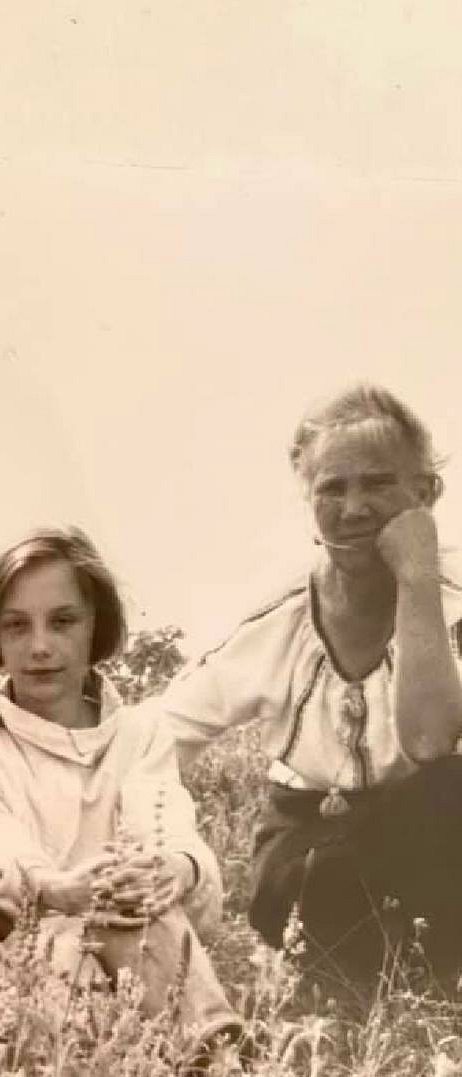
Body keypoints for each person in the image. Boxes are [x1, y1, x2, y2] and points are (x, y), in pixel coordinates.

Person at [162, 383, 462, 991]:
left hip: (424, 837)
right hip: (311, 852)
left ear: (425, 492)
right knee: (330, 878)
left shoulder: (452, 604)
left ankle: (427, 969)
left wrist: (418, 579)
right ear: (308, 500)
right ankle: (357, 968)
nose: (354, 508)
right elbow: (159, 737)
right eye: (332, 488)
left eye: (379, 483)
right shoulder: (280, 619)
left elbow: (430, 740)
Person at [0, 527, 242, 1057]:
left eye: (63, 622)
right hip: (30, 932)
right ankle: (90, 1065)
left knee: (142, 913)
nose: (40, 646)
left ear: (96, 627)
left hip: (134, 927)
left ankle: (213, 1049)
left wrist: (172, 868)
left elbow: (165, 822)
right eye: (17, 627)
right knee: (62, 966)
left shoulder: (139, 733)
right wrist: (55, 887)